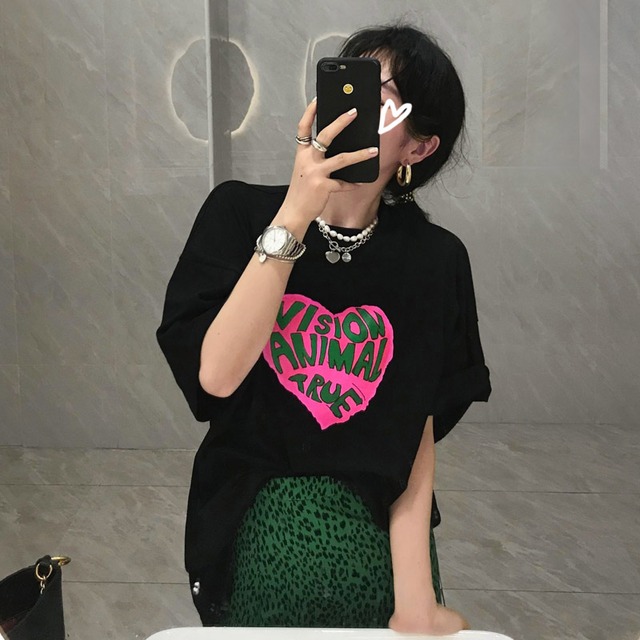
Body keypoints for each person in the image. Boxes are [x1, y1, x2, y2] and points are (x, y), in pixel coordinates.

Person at [156, 22, 491, 634]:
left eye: (382, 99)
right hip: (258, 504)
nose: (351, 109)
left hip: (379, 522)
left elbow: (413, 429)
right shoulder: (237, 212)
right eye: (348, 85)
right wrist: (296, 213)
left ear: (418, 148)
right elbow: (218, 376)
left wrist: (415, 598)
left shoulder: (434, 259)